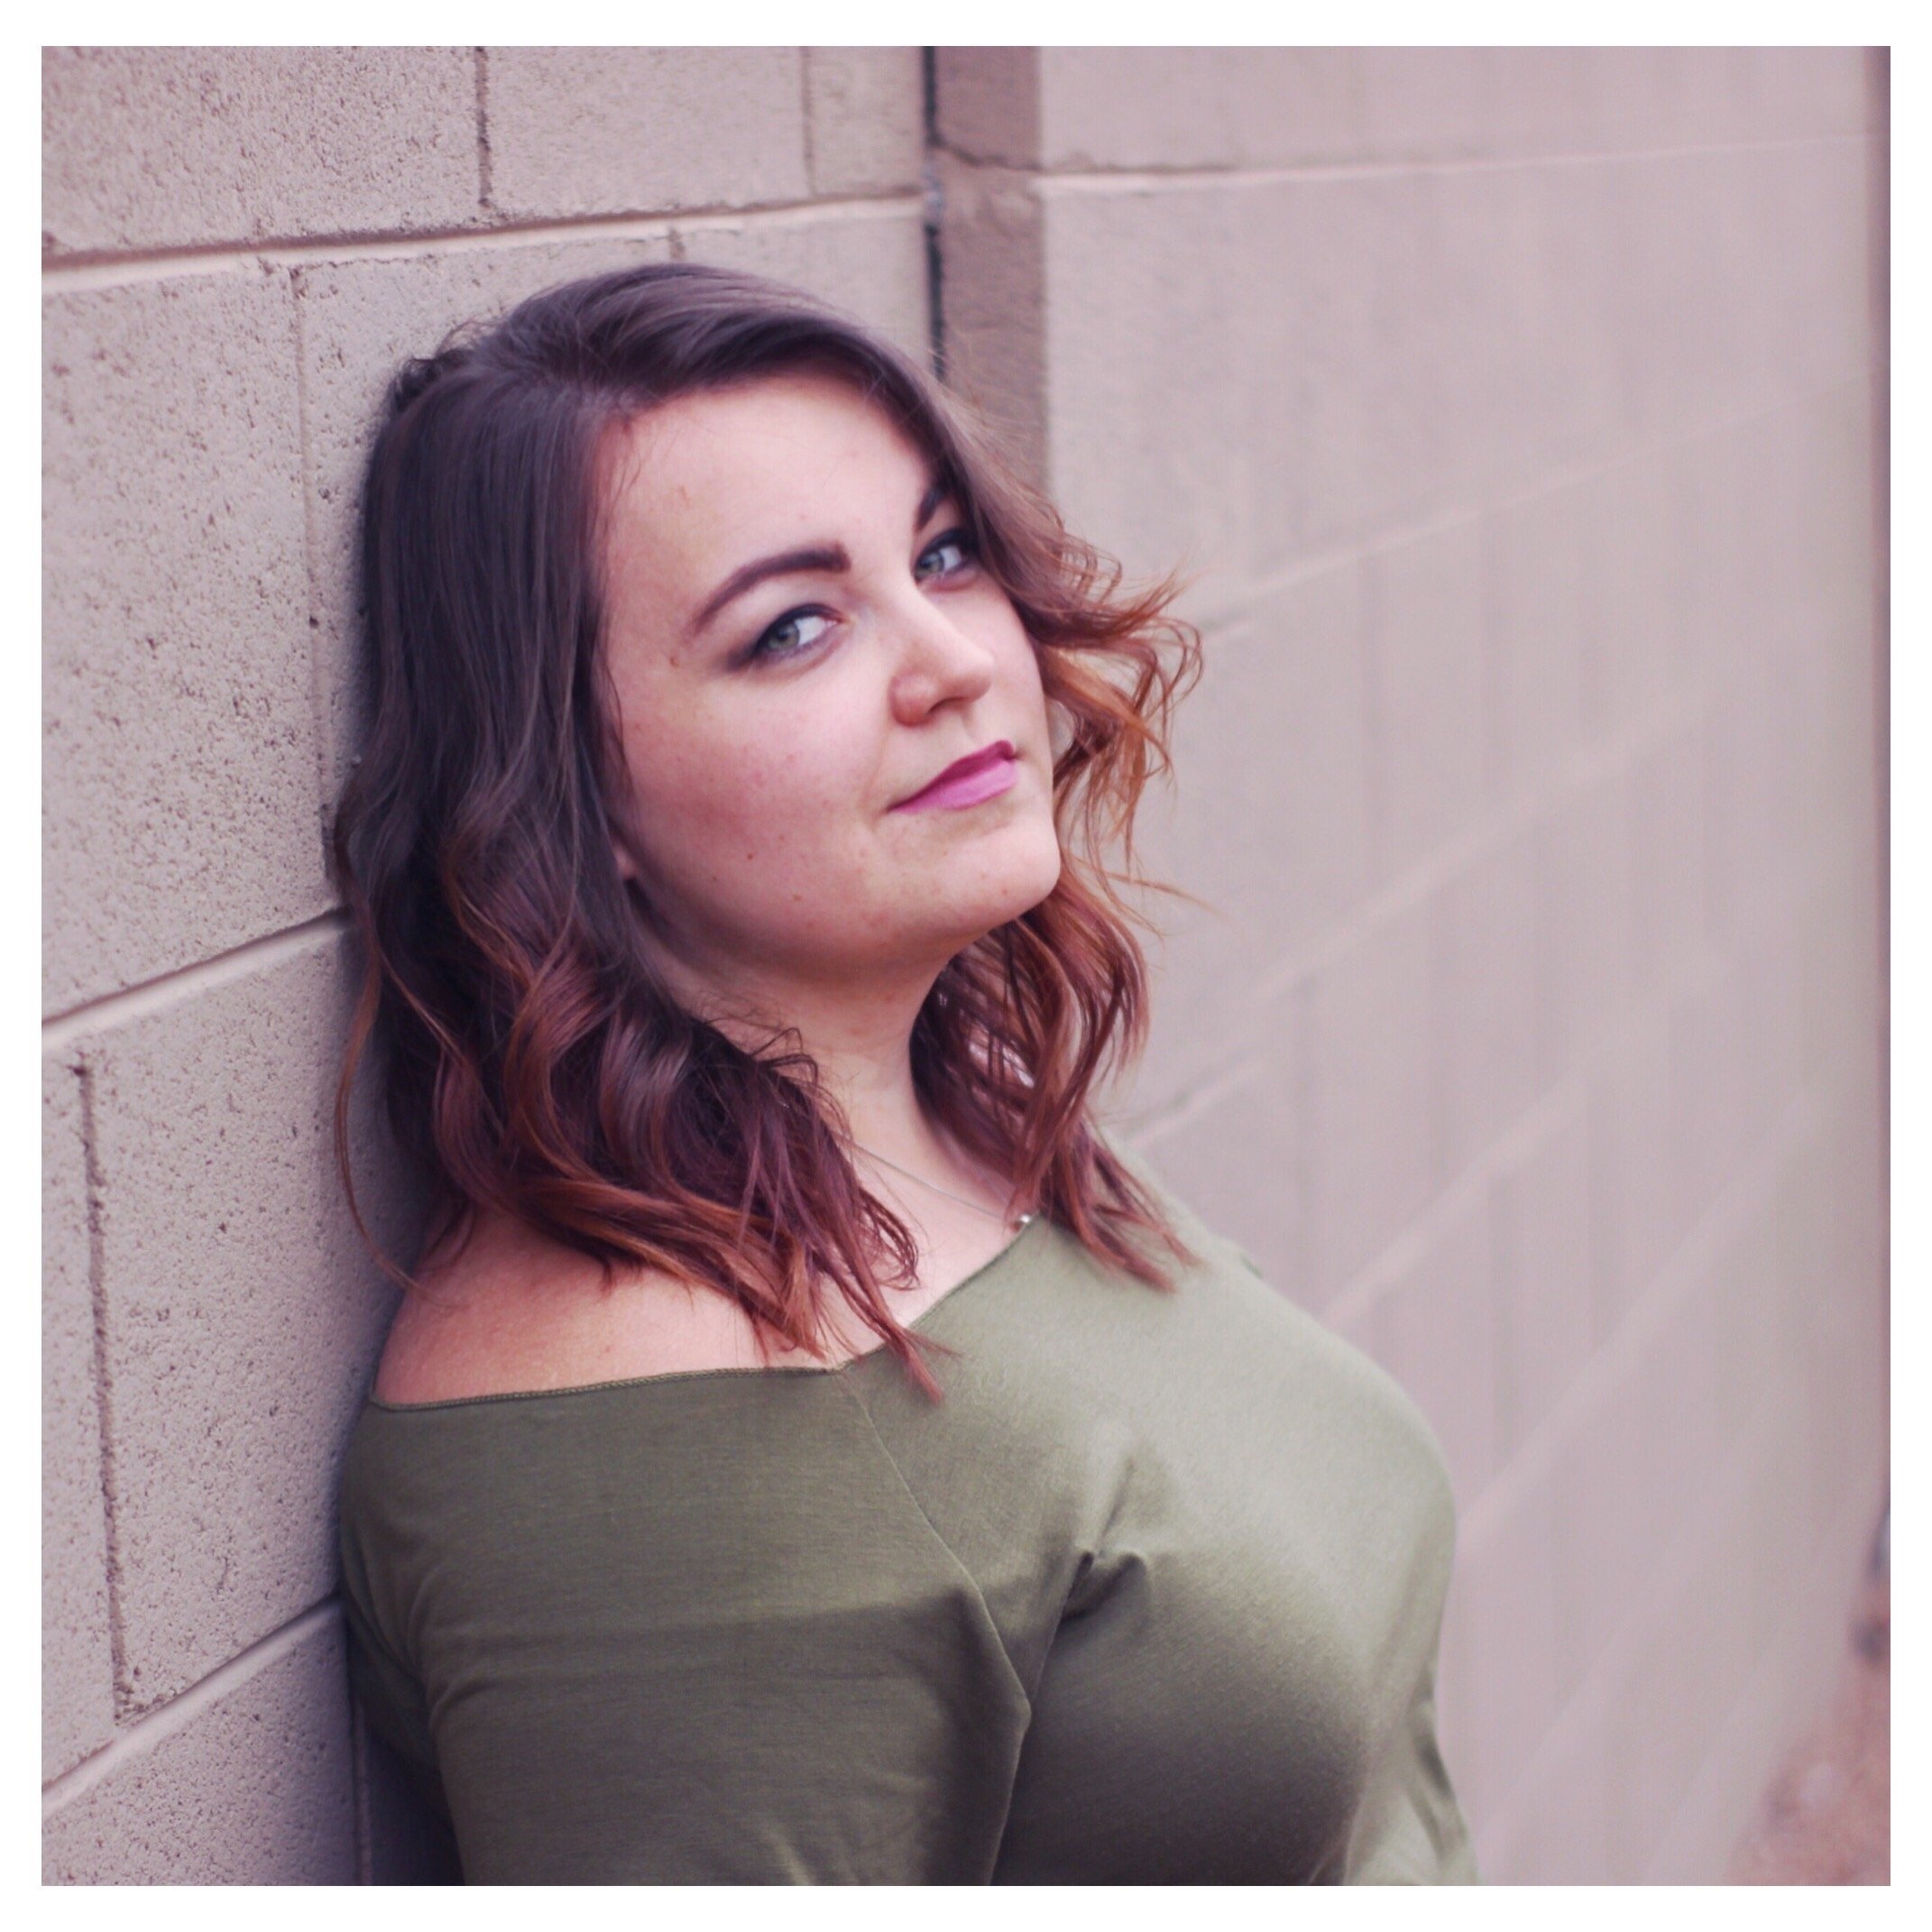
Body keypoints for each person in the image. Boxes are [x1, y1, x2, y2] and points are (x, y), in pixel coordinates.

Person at [333, 262, 1477, 1885]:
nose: (949, 656)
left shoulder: (956, 1131)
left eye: (941, 554)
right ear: (571, 804)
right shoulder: (671, 1425)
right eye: (790, 627)